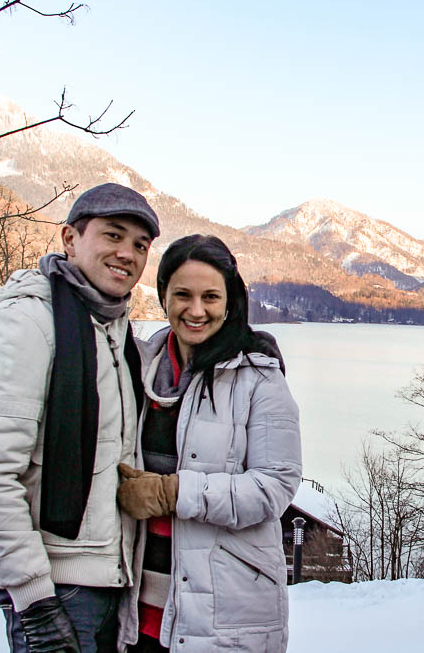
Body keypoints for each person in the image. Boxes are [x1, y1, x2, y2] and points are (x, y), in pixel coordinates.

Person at [0, 183, 160, 653]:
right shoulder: (25, 323)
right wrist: (35, 602)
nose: (127, 253)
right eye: (113, 235)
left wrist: (245, 348)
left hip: (111, 584)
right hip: (57, 591)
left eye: (139, 245)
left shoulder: (114, 331)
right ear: (70, 238)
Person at [116, 234, 301, 653]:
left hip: (223, 617)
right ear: (163, 296)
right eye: (182, 294)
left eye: (210, 297)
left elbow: (274, 487)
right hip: (138, 614)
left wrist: (173, 492)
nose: (195, 310)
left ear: (230, 301)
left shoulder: (259, 379)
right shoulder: (141, 367)